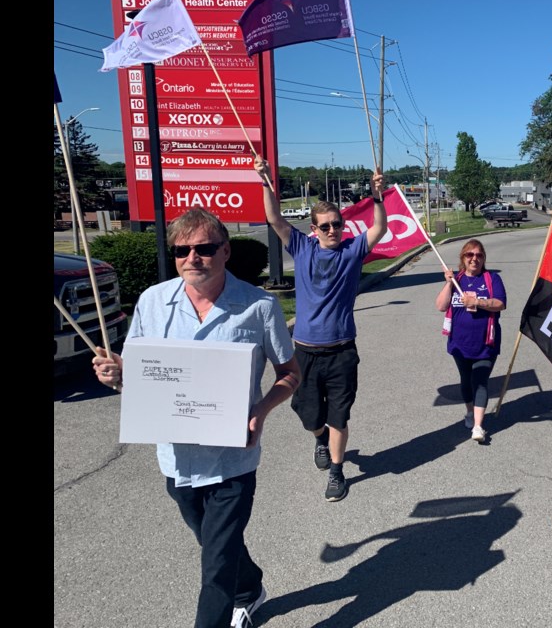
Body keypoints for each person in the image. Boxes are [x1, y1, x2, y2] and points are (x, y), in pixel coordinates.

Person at [91, 208, 301, 628]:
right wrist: (117, 374)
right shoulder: (153, 302)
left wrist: (261, 412)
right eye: (183, 250)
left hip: (233, 459)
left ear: (224, 251)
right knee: (214, 543)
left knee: (215, 563)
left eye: (204, 248)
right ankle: (251, 586)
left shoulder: (259, 307)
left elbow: (291, 374)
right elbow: (138, 376)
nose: (193, 257)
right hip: (176, 458)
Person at [254, 156, 387, 503]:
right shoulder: (302, 248)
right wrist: (265, 180)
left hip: (342, 351)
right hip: (306, 353)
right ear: (313, 229)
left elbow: (379, 229)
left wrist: (377, 197)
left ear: (343, 226)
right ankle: (319, 438)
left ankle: (337, 471)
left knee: (339, 415)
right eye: (325, 226)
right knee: (309, 413)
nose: (332, 230)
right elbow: (274, 218)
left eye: (336, 225)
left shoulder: (351, 251)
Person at [434, 239, 507, 443]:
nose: (474, 259)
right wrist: (449, 283)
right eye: (470, 255)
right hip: (459, 343)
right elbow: (441, 306)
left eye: (479, 255)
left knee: (480, 382)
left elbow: (501, 304)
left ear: (483, 258)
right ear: (463, 258)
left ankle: (478, 426)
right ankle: (469, 411)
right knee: (466, 380)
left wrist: (477, 302)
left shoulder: (492, 279)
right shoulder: (457, 279)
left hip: (486, 343)